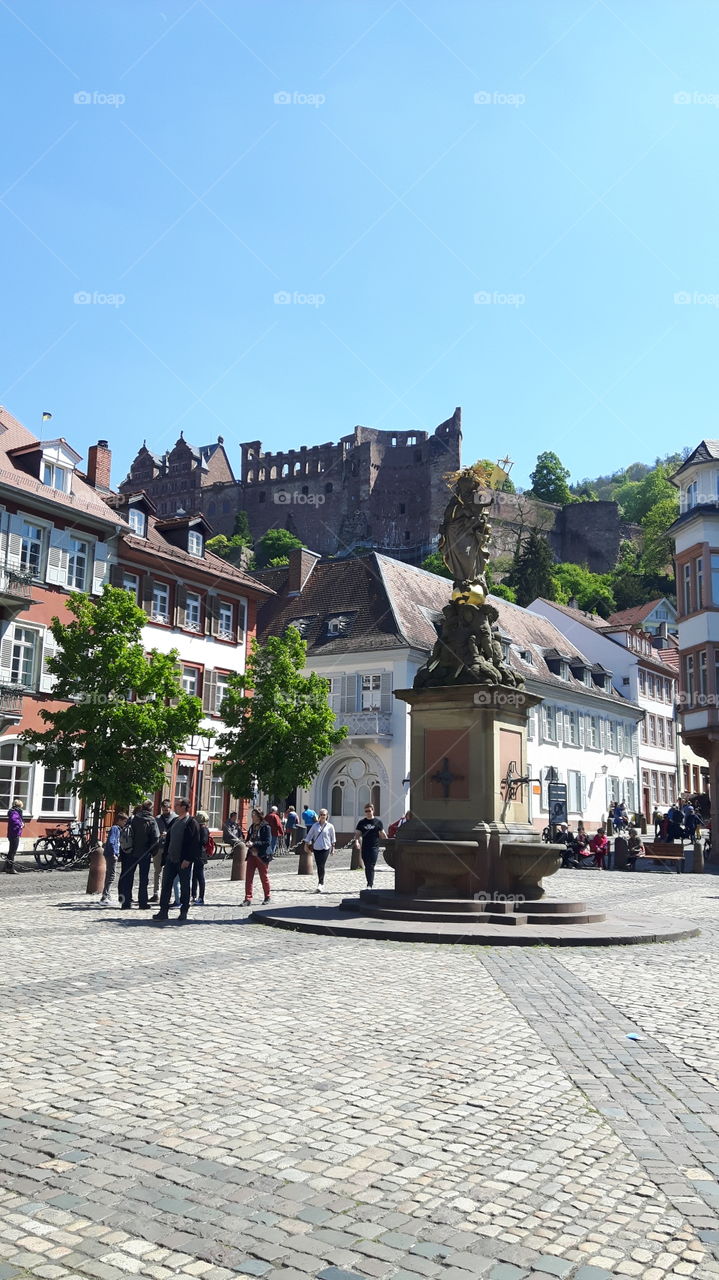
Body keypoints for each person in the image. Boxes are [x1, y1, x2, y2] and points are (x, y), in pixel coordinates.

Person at [153, 800, 201, 923]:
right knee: (166, 885)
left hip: (183, 860)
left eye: (177, 805)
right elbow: (169, 839)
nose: (175, 807)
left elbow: (195, 843)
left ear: (184, 807)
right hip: (171, 859)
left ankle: (184, 911)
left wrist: (188, 859)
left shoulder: (191, 822)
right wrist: (165, 856)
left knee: (185, 887)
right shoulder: (175, 821)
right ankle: (163, 911)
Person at [119, 800, 160, 910]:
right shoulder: (152, 820)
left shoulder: (133, 819)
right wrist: (153, 851)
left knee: (129, 877)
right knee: (143, 879)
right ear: (150, 809)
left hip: (131, 852)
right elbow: (156, 838)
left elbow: (126, 832)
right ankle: (142, 902)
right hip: (145, 853)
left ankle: (126, 903)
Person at [243, 808, 273, 905]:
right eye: (252, 814)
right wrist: (247, 842)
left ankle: (267, 896)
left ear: (259, 816)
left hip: (262, 856)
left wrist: (254, 844)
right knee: (248, 877)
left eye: (254, 814)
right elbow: (248, 838)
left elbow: (267, 842)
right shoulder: (252, 827)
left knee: (264, 877)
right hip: (252, 855)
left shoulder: (266, 827)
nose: (252, 816)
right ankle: (248, 898)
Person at [353, 803, 387, 888]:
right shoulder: (361, 822)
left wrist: (388, 843)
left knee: (371, 865)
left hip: (374, 847)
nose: (368, 812)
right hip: (365, 846)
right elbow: (357, 834)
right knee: (367, 864)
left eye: (369, 810)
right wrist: (356, 841)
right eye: (366, 811)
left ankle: (370, 884)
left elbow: (383, 834)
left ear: (373, 810)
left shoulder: (377, 822)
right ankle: (369, 882)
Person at [304, 808, 336, 892]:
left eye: (324, 815)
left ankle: (320, 883)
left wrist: (333, 848)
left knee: (321, 865)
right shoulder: (315, 826)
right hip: (317, 848)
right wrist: (306, 844)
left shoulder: (330, 826)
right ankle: (321, 882)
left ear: (327, 816)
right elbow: (310, 835)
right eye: (321, 814)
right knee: (319, 865)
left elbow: (333, 838)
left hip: (326, 848)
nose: (322, 816)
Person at [150, 798, 175, 904]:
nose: (165, 812)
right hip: (159, 847)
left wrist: (168, 835)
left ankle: (168, 894)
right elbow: (153, 832)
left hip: (170, 848)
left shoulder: (175, 818)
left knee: (169, 872)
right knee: (157, 871)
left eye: (167, 810)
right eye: (163, 810)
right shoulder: (158, 819)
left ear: (170, 808)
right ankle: (156, 893)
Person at [101, 811, 128, 905]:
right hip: (111, 854)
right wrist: (114, 853)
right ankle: (105, 895)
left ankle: (107, 895)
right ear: (119, 820)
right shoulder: (115, 829)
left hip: (111, 853)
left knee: (110, 874)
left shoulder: (117, 829)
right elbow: (112, 841)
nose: (125, 823)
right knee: (111, 875)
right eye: (124, 821)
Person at [192, 809, 210, 905]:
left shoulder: (203, 829)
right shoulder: (199, 828)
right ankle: (193, 895)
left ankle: (201, 897)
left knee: (200, 877)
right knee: (194, 876)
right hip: (196, 854)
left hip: (200, 855)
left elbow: (203, 841)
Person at [5, 799, 23, 873]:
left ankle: (7, 867)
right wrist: (20, 824)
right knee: (13, 852)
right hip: (14, 833)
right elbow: (14, 820)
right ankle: (10, 868)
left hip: (12, 833)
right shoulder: (15, 812)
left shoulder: (13, 811)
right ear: (19, 805)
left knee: (11, 851)